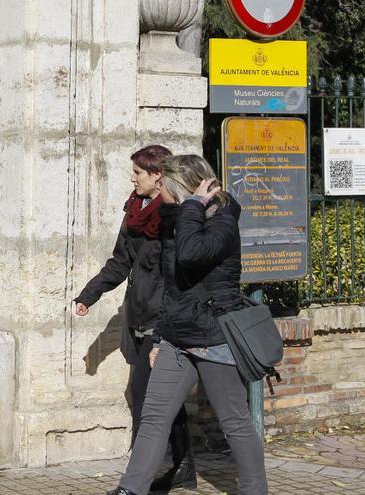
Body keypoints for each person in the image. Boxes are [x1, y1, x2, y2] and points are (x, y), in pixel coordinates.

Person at [107, 155, 267, 495]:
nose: (158, 186)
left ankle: (255, 490)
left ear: (185, 187)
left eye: (165, 181)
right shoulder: (174, 220)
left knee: (234, 421)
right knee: (154, 416)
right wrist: (161, 337)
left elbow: (193, 254)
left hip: (215, 337)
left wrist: (193, 205)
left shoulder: (221, 218)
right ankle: (131, 489)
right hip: (178, 338)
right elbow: (172, 287)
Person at [74, 145, 196, 492]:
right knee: (161, 398)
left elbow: (177, 279)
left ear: (158, 176)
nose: (133, 177)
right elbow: (119, 262)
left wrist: (164, 332)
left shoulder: (173, 218)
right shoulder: (135, 210)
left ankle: (143, 476)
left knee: (146, 397)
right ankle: (183, 464)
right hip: (139, 317)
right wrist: (89, 294)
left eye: (139, 172)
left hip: (163, 322)